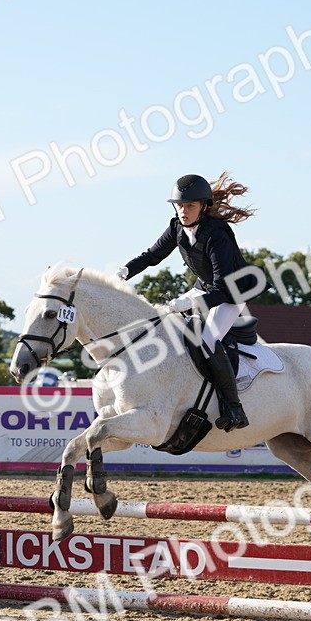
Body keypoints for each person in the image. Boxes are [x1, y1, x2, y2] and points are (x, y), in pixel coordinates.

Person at [117, 173, 259, 432]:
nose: (183, 211)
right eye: (180, 205)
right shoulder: (177, 227)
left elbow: (221, 289)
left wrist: (191, 304)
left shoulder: (217, 235)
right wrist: (125, 271)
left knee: (207, 339)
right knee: (169, 324)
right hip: (205, 287)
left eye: (190, 205)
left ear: (203, 206)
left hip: (231, 293)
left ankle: (234, 408)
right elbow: (151, 256)